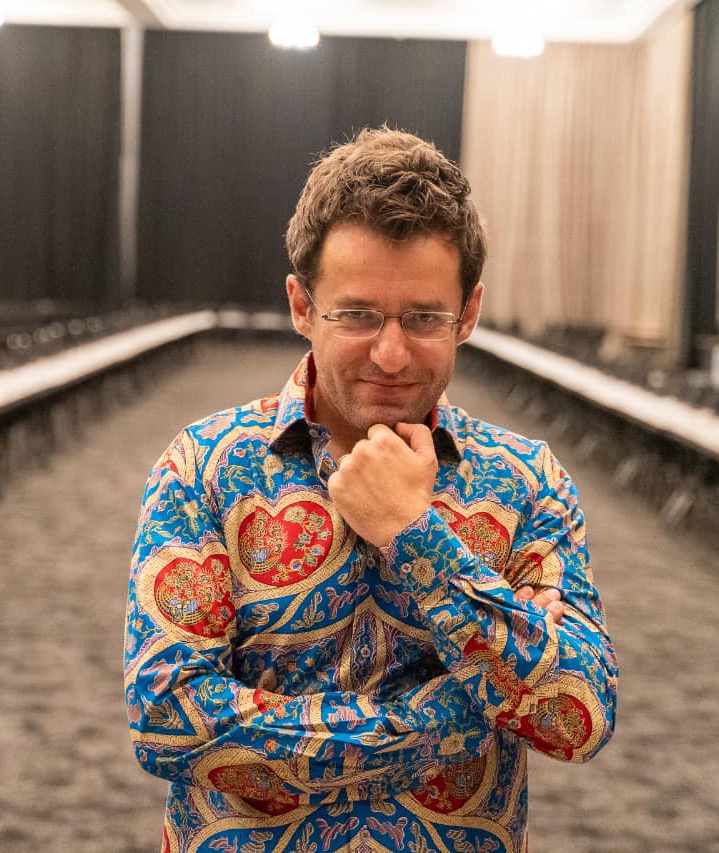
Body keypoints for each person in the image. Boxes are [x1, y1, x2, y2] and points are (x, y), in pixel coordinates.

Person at [125, 126, 617, 852]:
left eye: (424, 318)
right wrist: (458, 714)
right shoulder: (202, 467)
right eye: (356, 315)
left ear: (468, 314)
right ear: (301, 306)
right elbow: (166, 719)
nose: (390, 354)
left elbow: (580, 715)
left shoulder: (526, 481)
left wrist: (414, 535)